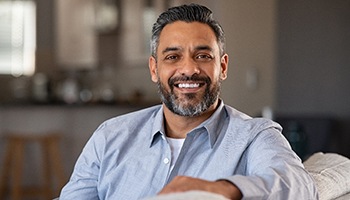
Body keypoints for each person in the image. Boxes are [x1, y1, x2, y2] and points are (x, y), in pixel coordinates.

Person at [59, 3, 318, 200]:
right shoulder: (110, 136)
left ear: (223, 66)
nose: (189, 69)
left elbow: (299, 186)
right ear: (153, 69)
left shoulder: (255, 136)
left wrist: (220, 190)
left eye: (203, 55)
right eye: (172, 57)